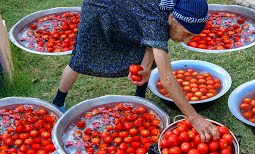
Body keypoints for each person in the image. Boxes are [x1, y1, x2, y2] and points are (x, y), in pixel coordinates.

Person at [52, 0, 219, 142]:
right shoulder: (157, 16)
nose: (187, 40)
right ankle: (58, 102)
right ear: (172, 18)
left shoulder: (168, 10)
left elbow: (152, 40)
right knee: (82, 57)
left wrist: (146, 67)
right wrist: (194, 117)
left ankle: (139, 102)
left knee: (145, 51)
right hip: (99, 6)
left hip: (130, 8)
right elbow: (166, 78)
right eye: (187, 33)